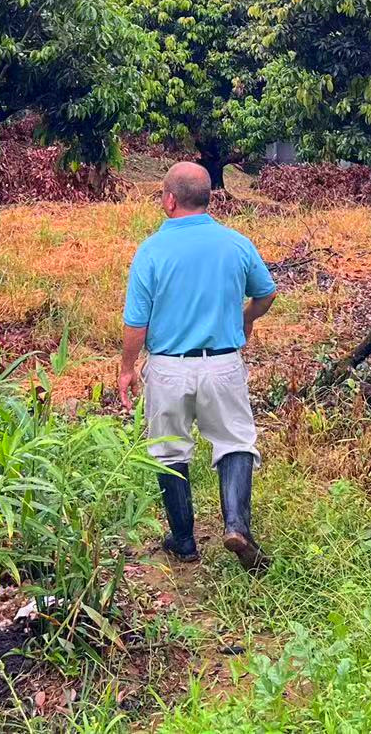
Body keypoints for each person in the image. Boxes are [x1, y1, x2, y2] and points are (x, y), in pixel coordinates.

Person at [118, 161, 276, 570]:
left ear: (169, 200)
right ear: (208, 197)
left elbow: (136, 322)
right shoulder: (236, 243)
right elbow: (266, 293)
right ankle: (237, 525)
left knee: (169, 449)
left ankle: (184, 541)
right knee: (235, 441)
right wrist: (246, 319)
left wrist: (127, 368)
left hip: (169, 368)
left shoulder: (151, 250)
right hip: (223, 364)